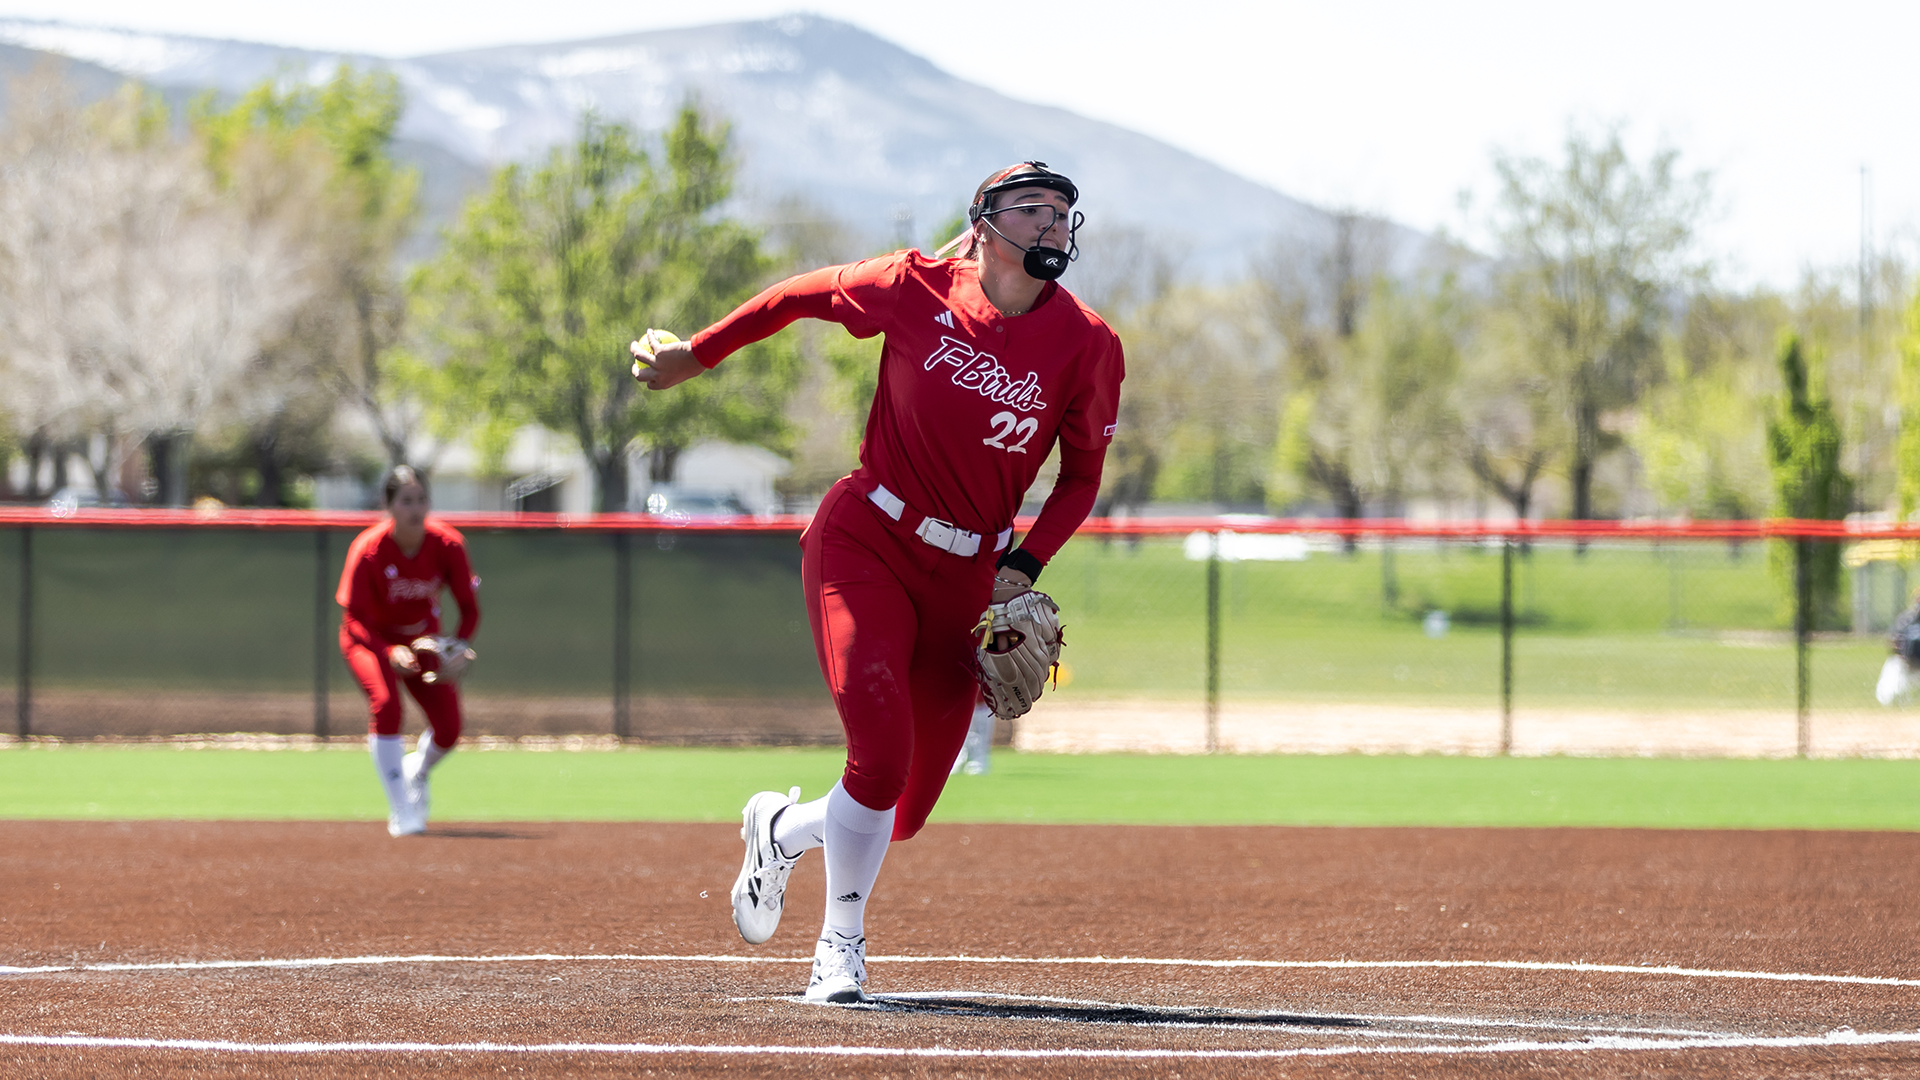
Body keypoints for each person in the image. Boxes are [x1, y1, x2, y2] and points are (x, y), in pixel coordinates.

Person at [631, 161, 1124, 1003]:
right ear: (983, 223)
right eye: (1032, 208)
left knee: (902, 813)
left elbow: (1082, 477)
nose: (1052, 223)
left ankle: (781, 830)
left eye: (1061, 212)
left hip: (971, 577)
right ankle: (841, 947)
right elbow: (795, 298)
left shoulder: (1089, 343)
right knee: (880, 757)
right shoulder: (913, 284)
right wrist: (698, 354)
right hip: (869, 539)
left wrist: (1024, 566)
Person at [337, 466, 481, 836]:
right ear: (388, 505)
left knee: (449, 729)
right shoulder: (369, 550)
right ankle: (401, 809)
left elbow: (470, 609)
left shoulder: (447, 545)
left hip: (422, 643)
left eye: (421, 500)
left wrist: (458, 646)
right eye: (406, 501)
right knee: (387, 706)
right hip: (370, 641)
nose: (415, 509)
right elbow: (354, 619)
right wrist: (388, 652)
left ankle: (417, 770)